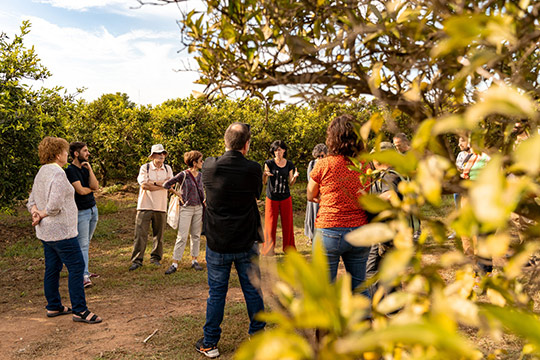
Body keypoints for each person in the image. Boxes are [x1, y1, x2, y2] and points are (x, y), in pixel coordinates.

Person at [195, 122, 265, 358]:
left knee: (216, 293)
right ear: (247, 145)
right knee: (253, 291)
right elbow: (257, 193)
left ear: (226, 142)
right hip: (246, 239)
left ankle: (210, 342)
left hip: (218, 240)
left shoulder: (209, 165)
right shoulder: (254, 169)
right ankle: (258, 337)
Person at [27, 136, 102, 324]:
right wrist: (42, 213)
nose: (67, 154)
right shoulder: (58, 173)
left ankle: (54, 306)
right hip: (62, 232)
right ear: (58, 153)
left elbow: (31, 201)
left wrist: (35, 213)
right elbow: (54, 207)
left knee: (52, 268)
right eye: (65, 151)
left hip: (46, 233)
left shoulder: (41, 172)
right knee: (76, 267)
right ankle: (80, 311)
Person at [306, 114, 371, 294]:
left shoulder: (324, 164)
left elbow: (310, 194)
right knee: (359, 287)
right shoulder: (365, 164)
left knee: (324, 290)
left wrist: (324, 199)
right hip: (359, 229)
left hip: (329, 228)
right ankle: (364, 320)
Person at [365, 142, 403, 298]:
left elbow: (390, 196)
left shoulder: (389, 175)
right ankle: (393, 306)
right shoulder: (382, 176)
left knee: (371, 270)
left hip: (384, 231)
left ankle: (379, 305)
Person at [129, 144, 173, 271]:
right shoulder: (145, 167)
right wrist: (160, 184)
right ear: (153, 156)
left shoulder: (167, 168)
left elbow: (170, 185)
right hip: (145, 205)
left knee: (159, 235)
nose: (161, 156)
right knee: (140, 234)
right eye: (159, 154)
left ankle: (156, 258)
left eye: (163, 154)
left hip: (161, 206)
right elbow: (144, 186)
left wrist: (152, 184)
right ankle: (137, 260)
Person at [162, 150, 205, 274]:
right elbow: (166, 184)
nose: (202, 162)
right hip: (186, 208)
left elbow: (202, 190)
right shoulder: (183, 174)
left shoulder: (201, 175)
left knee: (196, 235)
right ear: (194, 162)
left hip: (198, 207)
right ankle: (175, 263)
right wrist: (177, 194)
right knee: (182, 236)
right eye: (201, 160)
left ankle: (194, 260)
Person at [65, 142, 100, 288]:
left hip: (93, 209)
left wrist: (90, 170)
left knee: (86, 242)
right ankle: (83, 275)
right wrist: (90, 189)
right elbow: (80, 191)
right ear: (76, 153)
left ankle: (84, 270)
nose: (88, 153)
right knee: (83, 245)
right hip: (81, 212)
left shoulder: (85, 168)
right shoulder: (70, 170)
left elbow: (96, 186)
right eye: (85, 151)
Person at [261, 140, 299, 255]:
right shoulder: (268, 163)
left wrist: (295, 177)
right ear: (273, 151)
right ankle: (268, 249)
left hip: (285, 197)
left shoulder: (289, 164)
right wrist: (264, 175)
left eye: (280, 149)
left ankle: (289, 249)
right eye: (276, 150)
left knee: (287, 224)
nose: (278, 152)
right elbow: (264, 182)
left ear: (284, 150)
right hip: (272, 197)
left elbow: (291, 183)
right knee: (270, 224)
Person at [304, 143, 328, 245]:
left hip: (324, 194)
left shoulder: (328, 163)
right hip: (314, 194)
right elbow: (310, 179)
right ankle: (311, 237)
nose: (320, 158)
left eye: (322, 155)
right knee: (312, 216)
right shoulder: (312, 164)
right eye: (318, 156)